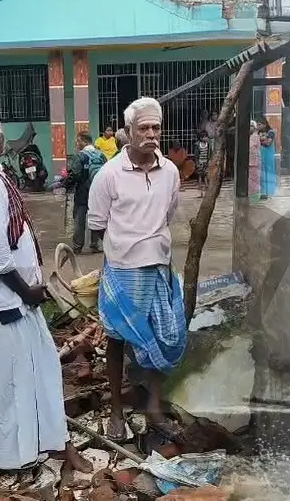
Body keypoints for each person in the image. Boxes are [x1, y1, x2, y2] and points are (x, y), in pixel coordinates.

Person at [0, 101, 92, 475]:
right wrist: (27, 291)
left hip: (12, 301)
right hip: (3, 301)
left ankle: (50, 445)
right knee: (4, 385)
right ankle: (9, 459)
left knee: (41, 370)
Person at [87, 97, 187, 440]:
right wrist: (124, 247)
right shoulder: (108, 175)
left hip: (159, 264)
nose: (151, 134)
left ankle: (154, 409)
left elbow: (167, 214)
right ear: (128, 132)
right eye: (143, 128)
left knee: (165, 334)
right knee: (117, 339)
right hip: (122, 268)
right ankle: (116, 412)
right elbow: (98, 224)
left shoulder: (171, 172)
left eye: (156, 127)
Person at [60, 132, 106, 253]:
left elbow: (74, 174)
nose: (76, 144)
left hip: (82, 192)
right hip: (98, 192)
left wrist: (65, 184)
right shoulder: (101, 155)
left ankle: (77, 246)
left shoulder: (80, 156)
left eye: (77, 141)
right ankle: (94, 244)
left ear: (83, 142)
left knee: (79, 219)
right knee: (95, 217)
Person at [258, 121, 277, 199]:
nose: (258, 126)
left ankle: (270, 192)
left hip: (268, 155)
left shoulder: (271, 132)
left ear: (264, 124)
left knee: (269, 172)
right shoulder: (259, 133)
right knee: (262, 173)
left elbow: (268, 143)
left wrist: (259, 140)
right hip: (262, 155)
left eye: (259, 124)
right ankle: (263, 193)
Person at [247, 120, 261, 199]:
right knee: (250, 180)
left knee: (254, 179)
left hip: (254, 162)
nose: (250, 128)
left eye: (251, 126)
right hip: (250, 161)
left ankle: (254, 196)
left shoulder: (255, 136)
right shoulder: (250, 136)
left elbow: (254, 148)